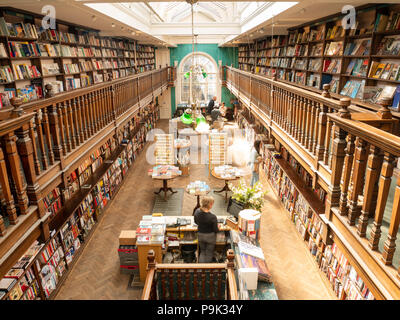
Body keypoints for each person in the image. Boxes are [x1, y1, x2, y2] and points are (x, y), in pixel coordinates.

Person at [194, 196, 219, 263]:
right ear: (210, 204)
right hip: (210, 237)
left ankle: (201, 269)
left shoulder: (197, 212)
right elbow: (216, 230)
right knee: (209, 253)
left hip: (200, 235)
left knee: (202, 252)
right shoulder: (213, 217)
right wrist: (218, 226)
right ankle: (207, 270)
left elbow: (195, 222)